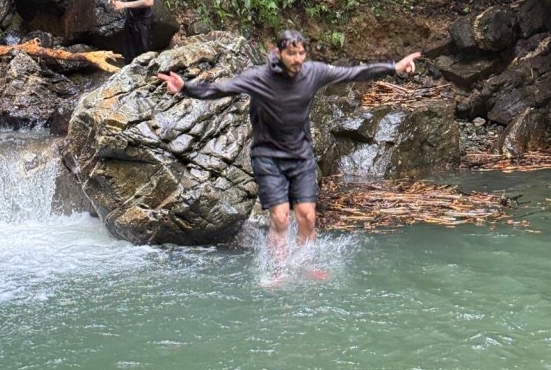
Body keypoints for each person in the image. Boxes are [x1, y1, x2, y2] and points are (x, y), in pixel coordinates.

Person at [158, 29, 421, 275]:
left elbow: (353, 73)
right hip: (267, 157)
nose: (297, 59)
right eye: (291, 54)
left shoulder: (313, 73)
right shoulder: (259, 78)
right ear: (279, 53)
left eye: (301, 53)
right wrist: (185, 88)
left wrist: (394, 67)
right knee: (281, 217)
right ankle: (279, 269)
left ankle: (306, 264)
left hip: (301, 156)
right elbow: (222, 89)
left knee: (307, 216)